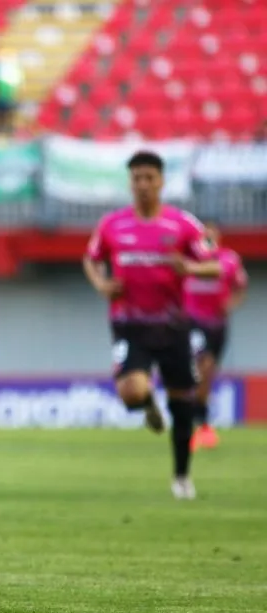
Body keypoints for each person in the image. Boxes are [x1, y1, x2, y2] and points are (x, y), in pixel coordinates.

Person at [82, 151, 219, 500]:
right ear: (131, 182)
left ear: (161, 181)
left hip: (174, 327)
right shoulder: (113, 225)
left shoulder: (182, 224)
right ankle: (146, 405)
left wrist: (189, 269)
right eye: (137, 178)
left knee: (182, 404)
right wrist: (100, 284)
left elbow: (215, 266)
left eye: (149, 178)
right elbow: (91, 258)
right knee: (131, 392)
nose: (143, 184)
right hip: (130, 326)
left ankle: (182, 475)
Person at [185, 221, 247, 450]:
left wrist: (231, 303)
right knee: (203, 365)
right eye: (204, 234)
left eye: (212, 233)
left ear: (218, 236)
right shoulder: (188, 257)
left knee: (207, 375)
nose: (208, 237)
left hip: (217, 325)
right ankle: (197, 423)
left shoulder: (228, 258)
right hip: (193, 322)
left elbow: (240, 285)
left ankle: (201, 423)